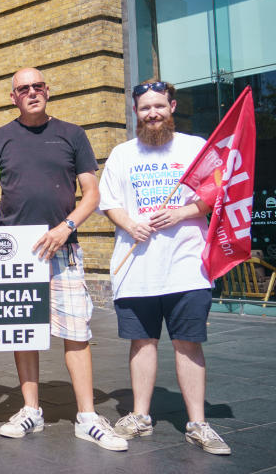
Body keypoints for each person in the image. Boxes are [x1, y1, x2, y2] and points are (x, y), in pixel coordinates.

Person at [0, 67, 127, 451]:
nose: (32, 92)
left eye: (38, 86)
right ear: (12, 96)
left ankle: (87, 417)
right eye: (23, 88)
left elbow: (92, 194)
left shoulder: (72, 134)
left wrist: (67, 225)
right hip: (15, 254)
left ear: (48, 90)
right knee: (23, 331)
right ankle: (31, 409)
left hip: (63, 249)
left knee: (76, 333)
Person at [99, 79, 231, 455]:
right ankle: (140, 417)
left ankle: (198, 423)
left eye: (158, 106)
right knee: (143, 342)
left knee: (188, 344)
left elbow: (217, 190)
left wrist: (182, 212)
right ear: (136, 113)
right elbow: (109, 202)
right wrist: (129, 224)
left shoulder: (194, 148)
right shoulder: (122, 154)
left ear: (171, 107)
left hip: (186, 265)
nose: (152, 113)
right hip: (137, 267)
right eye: (145, 108)